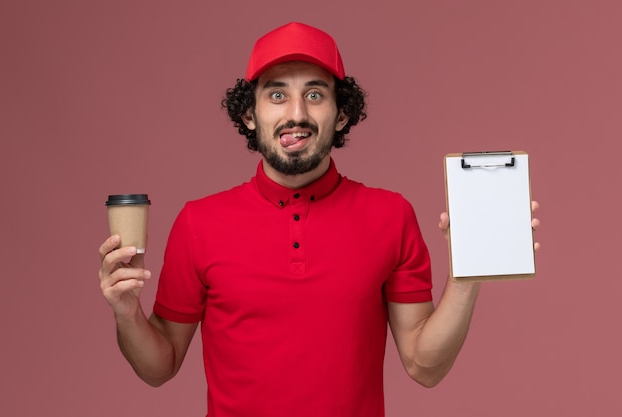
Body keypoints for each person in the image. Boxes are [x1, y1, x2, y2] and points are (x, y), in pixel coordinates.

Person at [98, 22, 540, 417]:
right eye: (276, 94)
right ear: (249, 115)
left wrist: (468, 271)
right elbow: (159, 367)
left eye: (314, 94)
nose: (296, 114)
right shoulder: (198, 223)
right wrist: (125, 312)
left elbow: (424, 366)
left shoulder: (391, 215)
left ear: (341, 113)